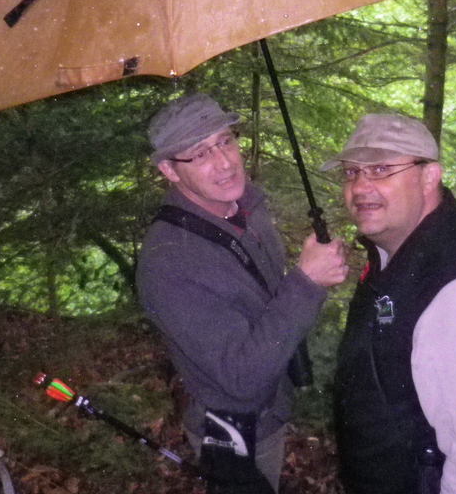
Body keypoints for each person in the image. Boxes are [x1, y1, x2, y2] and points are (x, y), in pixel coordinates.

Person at [136, 93, 348, 493]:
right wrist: (307, 282)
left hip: (272, 409)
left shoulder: (246, 208)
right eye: (200, 154)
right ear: (169, 169)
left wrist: (313, 278)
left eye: (225, 141)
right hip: (238, 431)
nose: (224, 162)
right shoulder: (169, 260)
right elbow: (241, 377)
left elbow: (266, 305)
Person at [325, 113, 456, 494]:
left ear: (429, 177)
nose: (360, 186)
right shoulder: (393, 256)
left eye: (381, 169)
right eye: (352, 172)